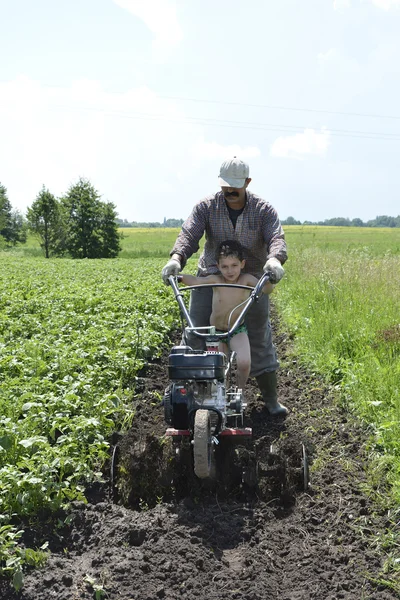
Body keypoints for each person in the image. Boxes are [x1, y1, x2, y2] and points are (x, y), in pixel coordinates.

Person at [161, 156, 288, 415]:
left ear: (247, 183)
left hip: (251, 280)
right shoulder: (206, 207)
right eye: (225, 186)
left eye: (235, 186)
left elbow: (276, 236)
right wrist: (176, 258)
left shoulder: (263, 210)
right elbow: (189, 234)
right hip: (212, 277)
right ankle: (191, 397)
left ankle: (270, 400)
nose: (230, 191)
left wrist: (275, 259)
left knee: (259, 339)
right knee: (196, 333)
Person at [179, 240, 275, 393]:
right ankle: (220, 395)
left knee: (244, 362)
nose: (230, 271)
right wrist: (178, 277)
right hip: (215, 333)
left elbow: (266, 289)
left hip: (237, 330)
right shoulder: (216, 280)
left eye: (234, 265)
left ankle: (239, 392)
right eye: (225, 266)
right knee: (220, 367)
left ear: (242, 264)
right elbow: (196, 281)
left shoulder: (247, 280)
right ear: (218, 266)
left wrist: (271, 279)